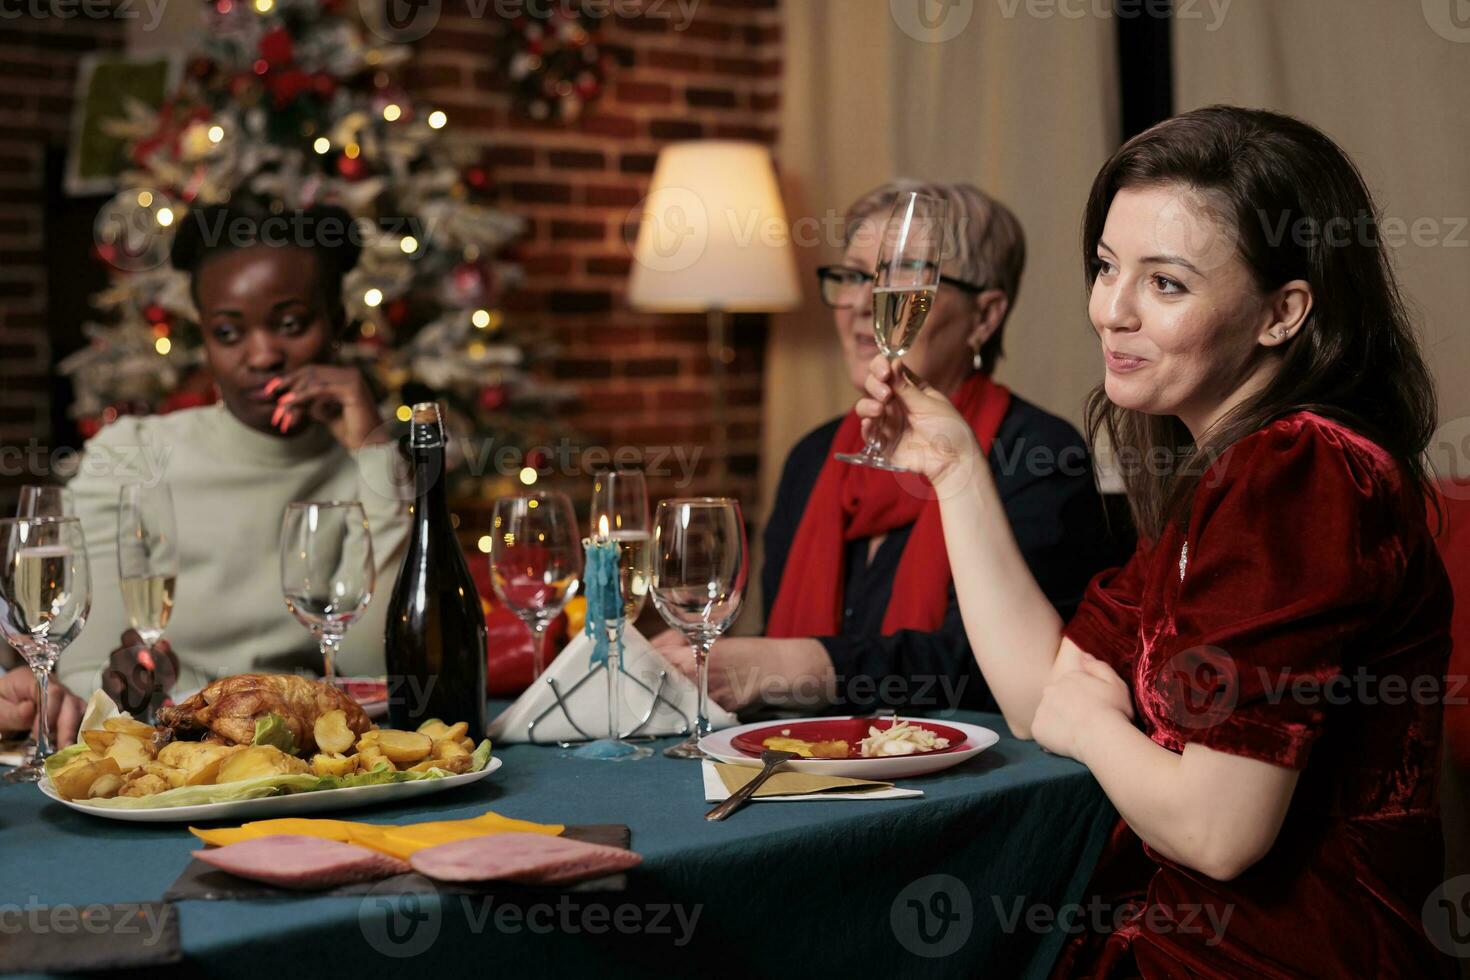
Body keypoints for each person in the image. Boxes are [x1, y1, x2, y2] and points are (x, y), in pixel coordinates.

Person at [859, 106, 1454, 976]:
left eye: (1166, 283)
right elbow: (1041, 698)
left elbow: (1220, 833)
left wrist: (1096, 730)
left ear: (1282, 313)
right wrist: (954, 468)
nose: (1111, 311)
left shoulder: (1298, 472)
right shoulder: (1226, 473)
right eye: (1106, 268)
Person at [655, 181, 1117, 715]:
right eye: (852, 275)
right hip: (806, 766)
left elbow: (986, 673)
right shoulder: (814, 456)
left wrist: (794, 665)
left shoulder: (1040, 455)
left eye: (900, 275)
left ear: (985, 317)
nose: (858, 302)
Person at [58, 196, 410, 703]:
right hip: (178, 753)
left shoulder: (366, 466)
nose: (263, 354)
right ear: (203, 338)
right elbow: (84, 671)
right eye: (228, 332)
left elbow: (377, 664)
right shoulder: (131, 455)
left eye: (290, 324)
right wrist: (138, 691)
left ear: (335, 321)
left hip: (312, 758)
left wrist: (374, 451)